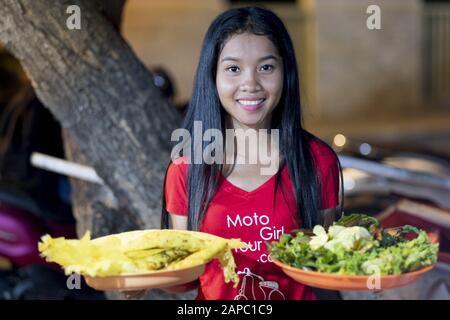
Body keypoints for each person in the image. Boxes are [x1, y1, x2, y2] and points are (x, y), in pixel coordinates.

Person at [130, 6, 342, 300]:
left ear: (286, 72)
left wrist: (374, 269)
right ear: (212, 76)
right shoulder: (186, 169)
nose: (250, 84)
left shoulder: (318, 162)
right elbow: (187, 276)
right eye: (233, 69)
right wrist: (142, 278)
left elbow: (326, 266)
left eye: (266, 67)